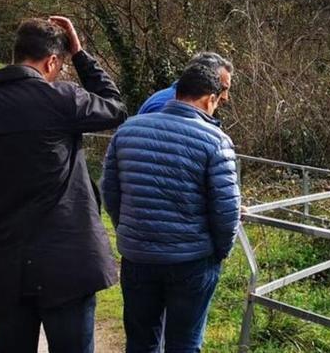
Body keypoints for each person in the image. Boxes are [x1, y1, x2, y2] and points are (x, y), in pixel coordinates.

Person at [0, 16, 127, 353]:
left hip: (4, 265)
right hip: (69, 264)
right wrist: (80, 54)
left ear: (15, 54)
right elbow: (115, 106)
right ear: (52, 61)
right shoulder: (63, 100)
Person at [101, 62, 241, 353]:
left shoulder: (127, 131)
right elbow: (226, 211)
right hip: (191, 260)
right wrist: (220, 252)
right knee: (185, 344)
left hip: (138, 258)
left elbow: (111, 192)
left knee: (140, 342)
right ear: (209, 98)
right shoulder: (216, 141)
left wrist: (128, 231)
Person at [137, 52, 233, 114]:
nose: (225, 97)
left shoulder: (174, 100)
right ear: (202, 76)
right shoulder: (168, 106)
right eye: (221, 88)